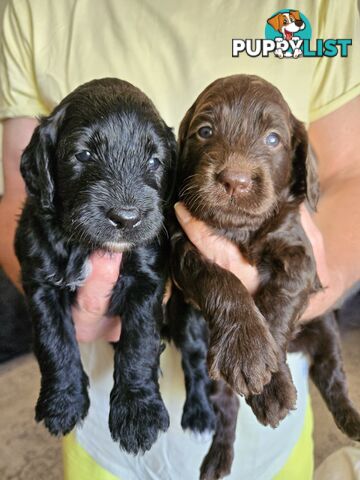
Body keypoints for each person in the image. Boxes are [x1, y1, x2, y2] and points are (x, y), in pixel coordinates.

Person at [0, 1, 359, 479]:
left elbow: (350, 173)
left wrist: (298, 293)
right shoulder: (29, 8)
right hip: (100, 423)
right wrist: (62, 310)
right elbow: (19, 197)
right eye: (205, 131)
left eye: (271, 140)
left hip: (267, 426)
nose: (234, 170)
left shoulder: (327, 7)